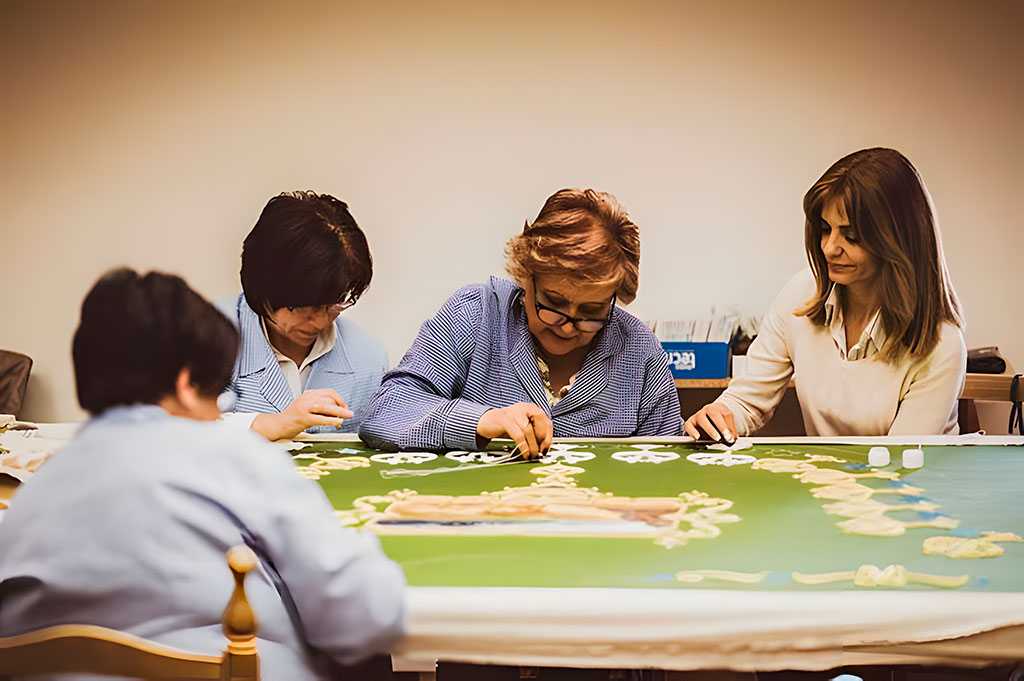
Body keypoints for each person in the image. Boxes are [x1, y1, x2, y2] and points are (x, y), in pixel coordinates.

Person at [0, 268, 406, 679]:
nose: (217, 415)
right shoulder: (237, 460)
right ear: (186, 385)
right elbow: (363, 618)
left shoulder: (31, 495)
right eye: (217, 395)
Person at [360, 188, 681, 457]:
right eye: (554, 303)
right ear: (524, 275)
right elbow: (386, 411)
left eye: (592, 310)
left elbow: (665, 461)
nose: (568, 326)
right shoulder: (476, 312)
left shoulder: (637, 345)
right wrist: (480, 421)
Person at [685, 148, 966, 440]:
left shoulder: (942, 344)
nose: (830, 248)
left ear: (897, 240)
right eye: (824, 229)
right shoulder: (799, 295)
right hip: (828, 481)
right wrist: (720, 416)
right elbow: (748, 400)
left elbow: (899, 462)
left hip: (910, 482)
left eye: (851, 235)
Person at [217, 191, 389, 441]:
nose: (320, 321)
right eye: (303, 307)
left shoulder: (368, 357)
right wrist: (275, 424)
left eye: (333, 304)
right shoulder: (206, 335)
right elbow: (167, 428)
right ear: (261, 286)